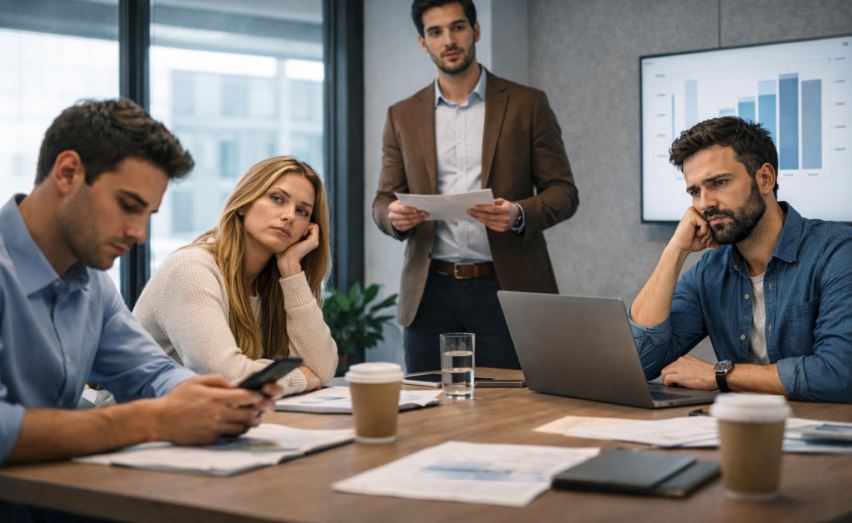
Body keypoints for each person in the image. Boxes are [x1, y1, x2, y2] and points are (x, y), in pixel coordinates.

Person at [0, 99, 280, 470]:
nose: (139, 234)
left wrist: (212, 400)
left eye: (148, 214)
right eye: (128, 205)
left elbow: (153, 372)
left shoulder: (94, 285)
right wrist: (152, 420)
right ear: (67, 172)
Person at [372, 0, 579, 373]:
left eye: (457, 27)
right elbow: (383, 199)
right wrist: (393, 217)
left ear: (476, 30)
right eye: (435, 32)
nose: (448, 40)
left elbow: (563, 192)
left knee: (513, 409)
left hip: (506, 286)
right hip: (429, 292)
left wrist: (518, 213)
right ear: (423, 42)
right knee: (426, 412)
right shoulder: (400, 114)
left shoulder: (527, 104)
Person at [629, 116, 852, 403]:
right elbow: (639, 362)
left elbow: (837, 374)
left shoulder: (836, 252)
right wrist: (674, 252)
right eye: (695, 191)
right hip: (742, 431)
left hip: (825, 435)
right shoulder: (709, 274)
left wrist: (720, 375)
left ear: (765, 179)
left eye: (719, 182)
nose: (704, 203)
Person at [96, 157, 337, 404]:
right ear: (243, 203)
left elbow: (321, 368)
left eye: (302, 211)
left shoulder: (272, 284)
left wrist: (292, 271)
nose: (289, 216)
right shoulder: (191, 269)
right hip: (135, 422)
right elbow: (226, 375)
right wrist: (299, 378)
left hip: (209, 419)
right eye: (277, 199)